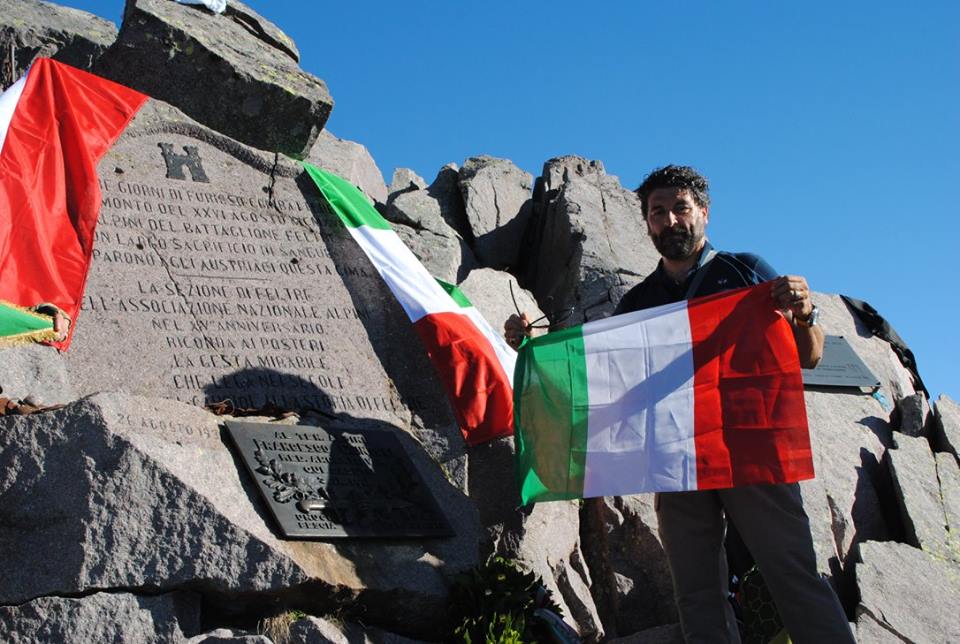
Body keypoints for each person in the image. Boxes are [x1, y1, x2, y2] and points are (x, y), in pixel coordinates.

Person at [505, 165, 854, 643]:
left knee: (792, 576)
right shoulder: (639, 302)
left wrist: (805, 313)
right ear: (647, 224)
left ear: (704, 214)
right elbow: (601, 377)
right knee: (696, 593)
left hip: (751, 451)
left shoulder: (746, 272)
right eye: (658, 212)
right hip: (677, 461)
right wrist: (529, 346)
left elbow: (809, 357)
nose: (671, 220)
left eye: (680, 208)